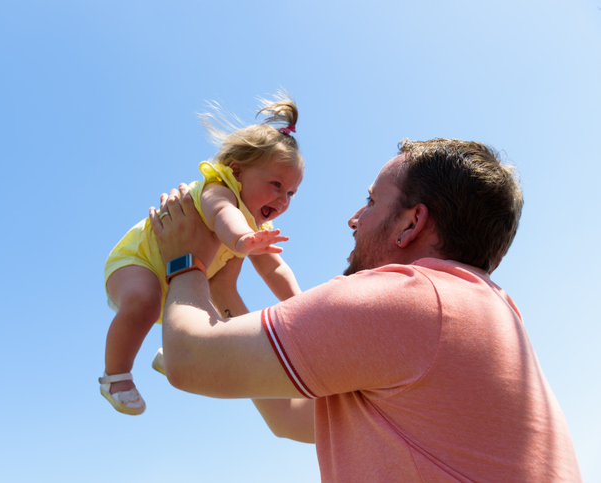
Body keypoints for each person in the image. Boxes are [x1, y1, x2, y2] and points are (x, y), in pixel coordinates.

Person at [148, 139, 581, 482]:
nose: (354, 219)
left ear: (410, 224)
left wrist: (185, 261)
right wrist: (224, 288)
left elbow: (189, 359)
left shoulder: (411, 299)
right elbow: (288, 418)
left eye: (371, 201)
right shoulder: (478, 313)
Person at [99, 93, 304, 415]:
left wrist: (300, 306)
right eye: (276, 184)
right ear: (236, 171)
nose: (283, 199)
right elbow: (223, 214)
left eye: (291, 192)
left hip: (179, 274)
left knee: (214, 323)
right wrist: (242, 240)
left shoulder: (255, 224)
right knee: (144, 300)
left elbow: (274, 269)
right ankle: (115, 376)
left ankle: (175, 353)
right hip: (138, 261)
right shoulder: (218, 189)